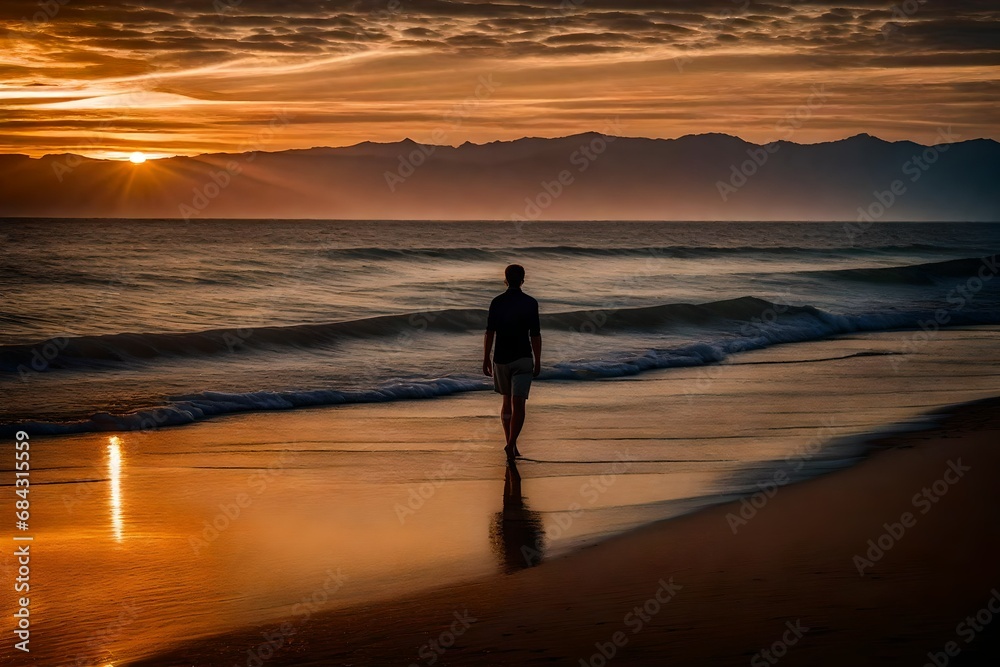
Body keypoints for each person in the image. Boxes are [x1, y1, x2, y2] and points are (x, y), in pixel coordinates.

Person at [483, 264, 541, 459]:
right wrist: (538, 360)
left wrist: (485, 358)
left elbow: (490, 332)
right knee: (520, 404)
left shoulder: (497, 302)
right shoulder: (530, 303)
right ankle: (511, 444)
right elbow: (535, 335)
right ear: (523, 280)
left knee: (506, 402)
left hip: (501, 358)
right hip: (524, 357)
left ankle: (510, 443)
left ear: (505, 279)